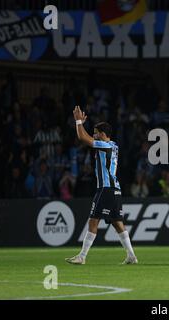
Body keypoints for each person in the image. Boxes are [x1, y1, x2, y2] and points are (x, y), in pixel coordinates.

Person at [66, 106, 137, 265]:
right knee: (117, 223)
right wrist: (81, 126)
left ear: (103, 135)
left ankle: (82, 256)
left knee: (93, 221)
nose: (94, 135)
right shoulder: (113, 145)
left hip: (106, 189)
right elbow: (86, 137)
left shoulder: (105, 146)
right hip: (114, 189)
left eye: (96, 132)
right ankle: (131, 255)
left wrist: (78, 121)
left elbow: (83, 138)